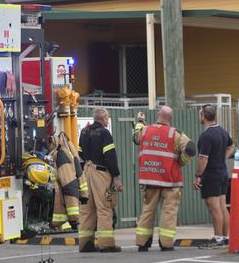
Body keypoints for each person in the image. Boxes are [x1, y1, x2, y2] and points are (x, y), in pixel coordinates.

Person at [134, 106, 196, 252]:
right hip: (170, 181)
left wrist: (140, 121)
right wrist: (182, 161)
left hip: (150, 179)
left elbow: (135, 137)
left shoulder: (145, 130)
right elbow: (191, 148)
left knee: (147, 211)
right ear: (170, 118)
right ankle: (166, 244)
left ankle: (142, 243)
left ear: (158, 115)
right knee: (168, 212)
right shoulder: (175, 134)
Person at [78, 107, 123, 253]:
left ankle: (85, 244)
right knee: (104, 208)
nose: (108, 120)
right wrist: (115, 176)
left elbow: (79, 155)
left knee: (86, 209)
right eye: (107, 118)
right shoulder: (104, 133)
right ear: (103, 118)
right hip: (100, 173)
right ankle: (106, 244)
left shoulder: (84, 132)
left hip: (86, 171)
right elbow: (110, 156)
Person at [193, 104, 234, 248]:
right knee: (222, 206)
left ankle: (218, 239)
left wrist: (198, 175)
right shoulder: (222, 131)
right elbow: (231, 146)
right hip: (222, 172)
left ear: (203, 116)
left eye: (200, 114)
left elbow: (203, 159)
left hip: (211, 174)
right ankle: (225, 237)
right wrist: (222, 158)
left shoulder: (206, 135)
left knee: (214, 207)